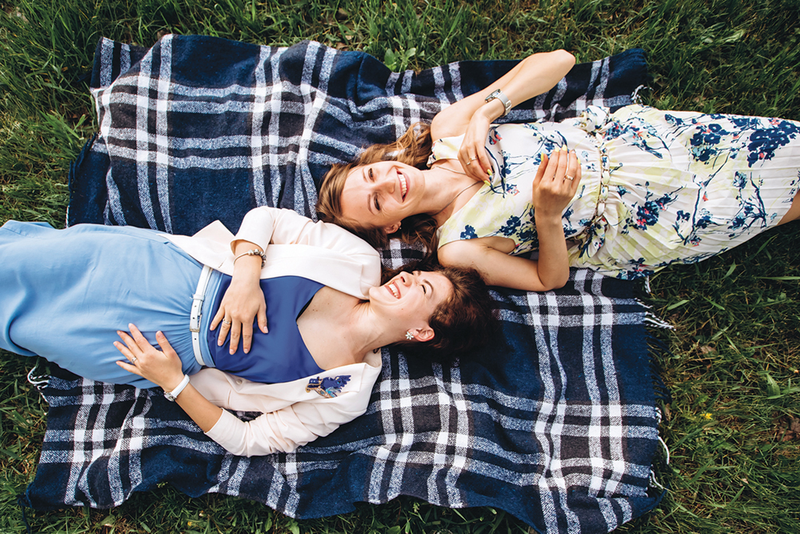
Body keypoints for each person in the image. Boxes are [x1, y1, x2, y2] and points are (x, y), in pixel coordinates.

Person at [0, 207, 495, 456]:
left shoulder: (346, 392)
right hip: (176, 273)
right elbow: (268, 217)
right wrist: (245, 274)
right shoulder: (359, 260)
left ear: (422, 333)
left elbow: (246, 441)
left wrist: (171, 381)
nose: (406, 276)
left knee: (28, 325)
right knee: (29, 261)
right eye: (418, 273)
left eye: (424, 291)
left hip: (155, 349)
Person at [317, 49, 800, 291]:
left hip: (642, 143)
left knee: (788, 145)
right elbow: (549, 280)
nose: (387, 184)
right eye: (376, 202)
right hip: (642, 219)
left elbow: (560, 61)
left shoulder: (449, 129)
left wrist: (488, 110)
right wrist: (548, 217)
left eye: (372, 175)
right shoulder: (458, 248)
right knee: (775, 200)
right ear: (391, 226)